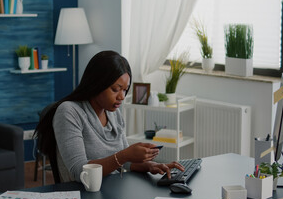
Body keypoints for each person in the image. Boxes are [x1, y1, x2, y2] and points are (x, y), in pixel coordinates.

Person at [34, 50, 184, 182]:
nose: (122, 96)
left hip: (110, 191)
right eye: (115, 89)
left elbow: (124, 162)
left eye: (125, 90)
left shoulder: (113, 113)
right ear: (97, 83)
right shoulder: (69, 112)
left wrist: (151, 165)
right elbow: (80, 172)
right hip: (81, 197)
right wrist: (125, 155)